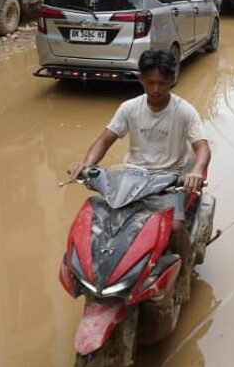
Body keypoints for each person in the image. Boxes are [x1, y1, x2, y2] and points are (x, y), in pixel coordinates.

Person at [67, 50, 210, 260]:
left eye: (162, 83)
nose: (155, 89)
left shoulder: (184, 111)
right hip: (131, 180)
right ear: (140, 78)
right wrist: (86, 165)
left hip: (168, 181)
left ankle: (185, 273)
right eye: (150, 82)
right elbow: (104, 140)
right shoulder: (129, 108)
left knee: (176, 228)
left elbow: (202, 147)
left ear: (172, 79)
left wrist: (196, 172)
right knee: (100, 223)